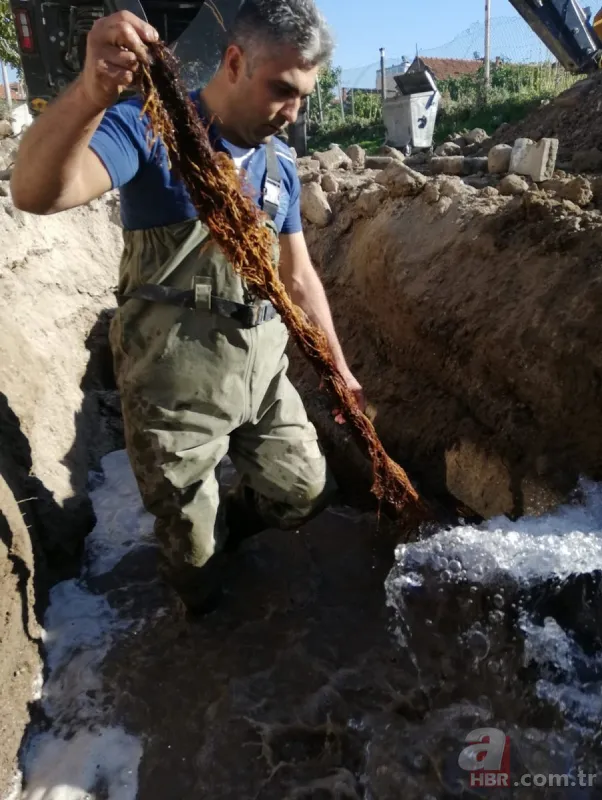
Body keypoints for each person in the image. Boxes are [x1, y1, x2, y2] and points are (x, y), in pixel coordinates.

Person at [11, 0, 365, 616]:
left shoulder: (280, 164)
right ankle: (200, 572)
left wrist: (339, 369)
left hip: (261, 380)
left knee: (306, 492)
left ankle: (223, 525)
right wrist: (92, 92)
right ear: (235, 61)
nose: (293, 112)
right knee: (194, 572)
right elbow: (37, 192)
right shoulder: (149, 129)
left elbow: (299, 275)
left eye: (303, 96)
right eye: (282, 89)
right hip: (171, 388)